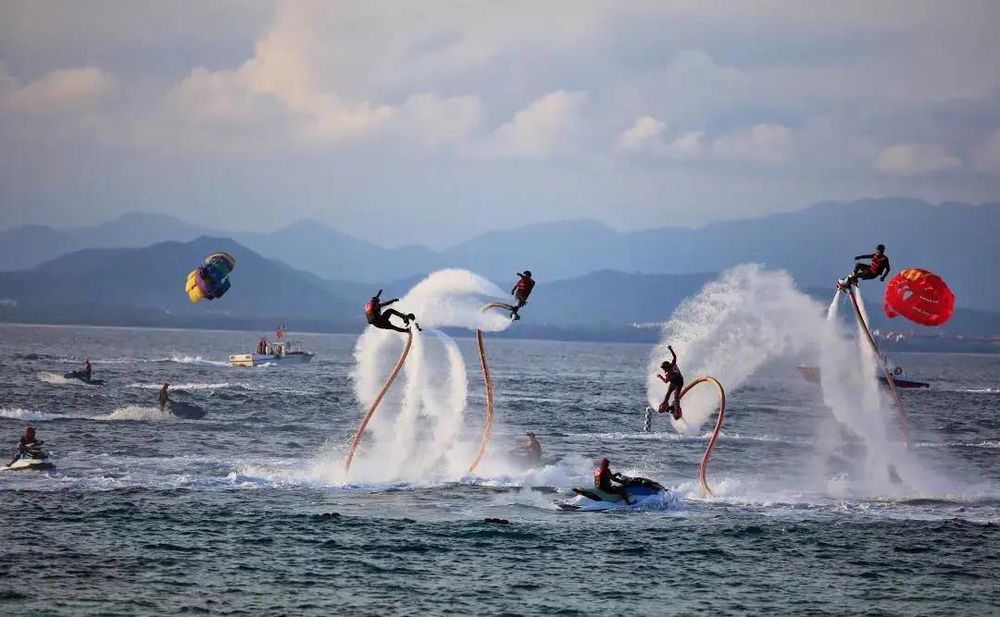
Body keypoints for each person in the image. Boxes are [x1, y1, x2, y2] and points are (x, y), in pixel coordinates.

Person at [656, 345, 684, 420]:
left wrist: (660, 377)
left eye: (664, 368)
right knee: (667, 395)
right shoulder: (672, 365)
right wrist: (670, 349)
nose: (664, 370)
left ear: (667, 367)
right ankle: (665, 404)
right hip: (673, 383)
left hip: (679, 383)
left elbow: (665, 381)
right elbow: (674, 357)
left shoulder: (669, 373)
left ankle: (677, 409)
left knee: (676, 397)